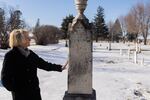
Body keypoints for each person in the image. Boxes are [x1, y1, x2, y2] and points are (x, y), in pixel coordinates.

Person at [1, 29, 68, 100]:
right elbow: (5, 79)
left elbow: (44, 64)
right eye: (27, 37)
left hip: (34, 94)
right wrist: (16, 89)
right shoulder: (10, 56)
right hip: (21, 96)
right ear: (20, 40)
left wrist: (60, 67)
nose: (30, 39)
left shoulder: (30, 54)